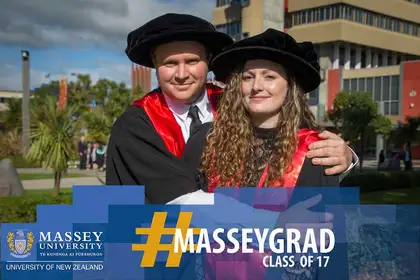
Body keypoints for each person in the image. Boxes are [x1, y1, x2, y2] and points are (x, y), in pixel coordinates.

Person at [106, 13, 358, 205]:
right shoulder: (136, 125)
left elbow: (291, 147)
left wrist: (345, 158)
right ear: (155, 66)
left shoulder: (239, 103)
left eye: (192, 61)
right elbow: (185, 200)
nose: (181, 74)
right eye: (170, 63)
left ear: (208, 64)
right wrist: (273, 224)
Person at [182, 28, 342, 280]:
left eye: (269, 76)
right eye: (248, 77)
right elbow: (182, 212)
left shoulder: (316, 152)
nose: (257, 86)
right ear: (237, 85)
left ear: (290, 86)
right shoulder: (206, 140)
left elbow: (329, 246)